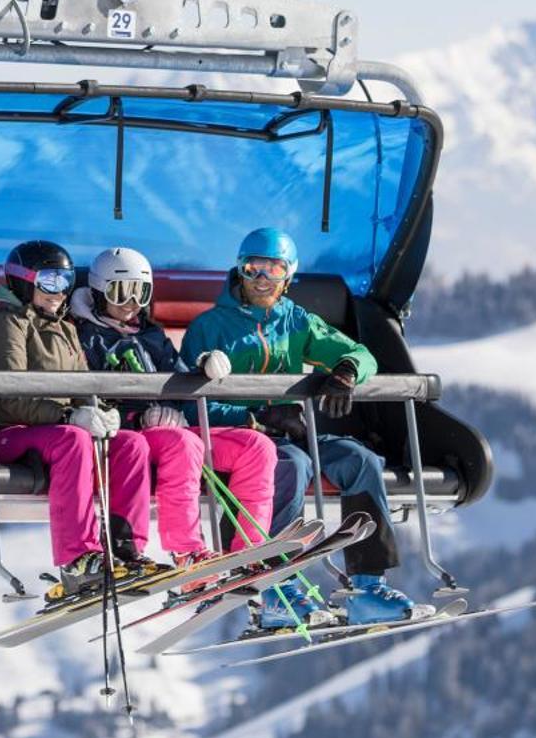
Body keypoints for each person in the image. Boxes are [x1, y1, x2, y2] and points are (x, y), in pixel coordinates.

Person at [181, 226, 435, 629]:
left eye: (273, 270)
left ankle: (367, 586)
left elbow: (359, 353)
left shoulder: (296, 322)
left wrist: (346, 373)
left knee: (360, 460)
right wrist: (254, 418)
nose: (262, 280)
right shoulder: (209, 328)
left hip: (291, 433)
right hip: (241, 441)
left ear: (289, 275)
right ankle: (278, 585)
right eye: (253, 269)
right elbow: (190, 405)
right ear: (239, 271)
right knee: (290, 467)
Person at [0, 239, 153, 600]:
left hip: (50, 433)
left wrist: (99, 410)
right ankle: (78, 557)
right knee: (74, 439)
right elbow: (8, 392)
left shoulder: (63, 326)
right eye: (49, 282)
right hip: (1, 435)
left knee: (131, 443)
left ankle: (126, 548)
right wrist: (69, 415)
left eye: (65, 282)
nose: (58, 292)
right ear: (23, 281)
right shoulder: (5, 322)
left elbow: (81, 385)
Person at [69, 247, 279, 569]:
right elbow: (86, 398)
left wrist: (202, 366)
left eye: (142, 293)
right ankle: (187, 551)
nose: (131, 304)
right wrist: (137, 417)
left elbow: (176, 371)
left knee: (257, 446)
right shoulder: (85, 337)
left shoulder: (151, 334)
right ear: (98, 291)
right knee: (184, 443)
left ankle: (248, 549)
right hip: (127, 438)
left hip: (171, 430)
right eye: (121, 292)